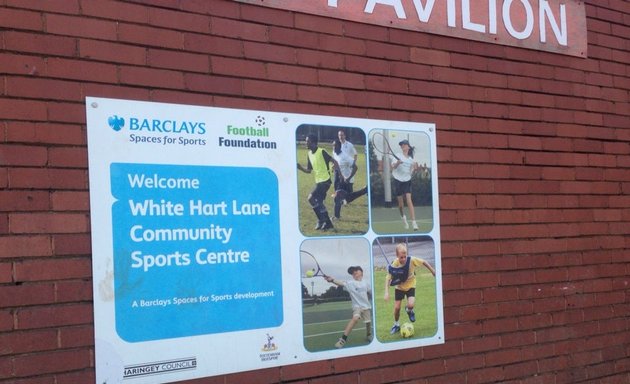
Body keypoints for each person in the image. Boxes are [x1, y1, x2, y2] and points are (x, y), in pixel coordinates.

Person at [384, 243, 436, 335]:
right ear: (397, 256)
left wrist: (432, 271)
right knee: (397, 308)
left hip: (411, 285)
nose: (403, 259)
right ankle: (396, 325)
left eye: (405, 256)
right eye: (401, 257)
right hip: (399, 287)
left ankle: (409, 310)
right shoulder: (395, 264)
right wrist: (386, 292)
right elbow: (388, 278)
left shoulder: (411, 260)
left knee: (411, 305)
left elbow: (424, 262)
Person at [297, 134, 339, 231]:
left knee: (311, 198)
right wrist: (300, 168)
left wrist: (334, 169)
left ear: (313, 142)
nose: (306, 143)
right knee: (318, 202)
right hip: (318, 181)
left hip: (325, 181)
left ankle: (322, 220)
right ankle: (326, 222)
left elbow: (335, 162)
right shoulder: (309, 154)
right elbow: (308, 170)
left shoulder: (322, 151)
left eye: (307, 141)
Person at [325, 266, 373, 348]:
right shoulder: (351, 283)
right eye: (352, 273)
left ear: (361, 272)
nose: (354, 272)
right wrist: (332, 280)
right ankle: (342, 340)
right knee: (355, 318)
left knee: (368, 322)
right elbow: (340, 283)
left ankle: (368, 335)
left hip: (366, 306)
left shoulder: (366, 283)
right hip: (357, 307)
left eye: (356, 270)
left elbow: (370, 292)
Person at [331, 138, 367, 220]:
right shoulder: (334, 153)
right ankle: (364, 190)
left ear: (339, 147)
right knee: (345, 198)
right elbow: (336, 162)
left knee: (340, 198)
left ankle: (336, 216)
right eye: (333, 146)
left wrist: (348, 177)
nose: (333, 148)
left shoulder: (345, 157)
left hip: (344, 180)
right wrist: (334, 167)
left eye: (335, 146)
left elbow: (355, 167)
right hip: (337, 178)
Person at [391, 139, 419, 230]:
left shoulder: (411, 160)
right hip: (397, 180)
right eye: (401, 145)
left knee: (409, 200)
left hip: (407, 181)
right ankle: (403, 218)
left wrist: (414, 169)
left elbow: (410, 173)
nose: (402, 146)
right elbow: (393, 167)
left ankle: (414, 223)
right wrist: (398, 163)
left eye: (404, 144)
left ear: (408, 147)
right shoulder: (398, 156)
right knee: (400, 204)